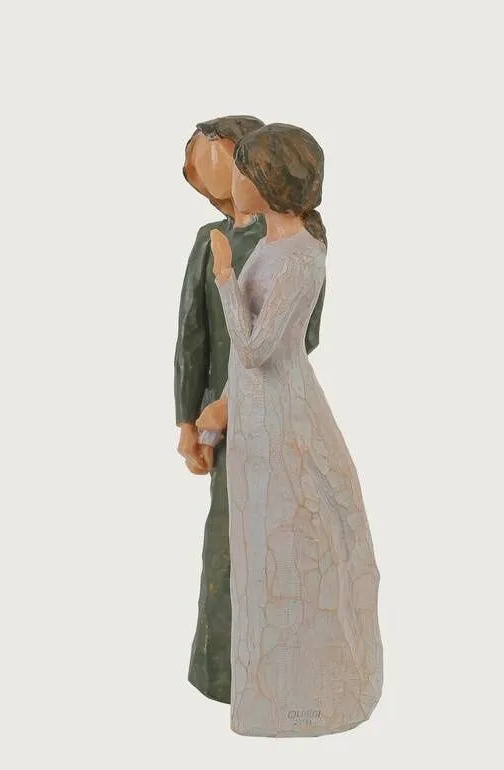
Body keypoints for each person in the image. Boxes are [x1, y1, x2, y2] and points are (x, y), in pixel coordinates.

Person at [196, 124, 383, 736]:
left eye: (244, 170)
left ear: (270, 182)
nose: (234, 181)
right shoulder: (274, 246)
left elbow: (255, 350)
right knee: (259, 549)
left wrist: (225, 276)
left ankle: (302, 695)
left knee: (289, 549)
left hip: (280, 416)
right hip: (255, 415)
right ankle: (266, 690)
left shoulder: (301, 257)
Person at [175, 116, 325, 703]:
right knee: (227, 541)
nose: (214, 173)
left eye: (226, 159)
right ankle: (225, 671)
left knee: (276, 540)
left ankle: (275, 675)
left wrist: (231, 402)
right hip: (223, 415)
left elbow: (294, 339)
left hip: (264, 409)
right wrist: (188, 418)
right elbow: (191, 333)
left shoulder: (288, 246)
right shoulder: (211, 239)